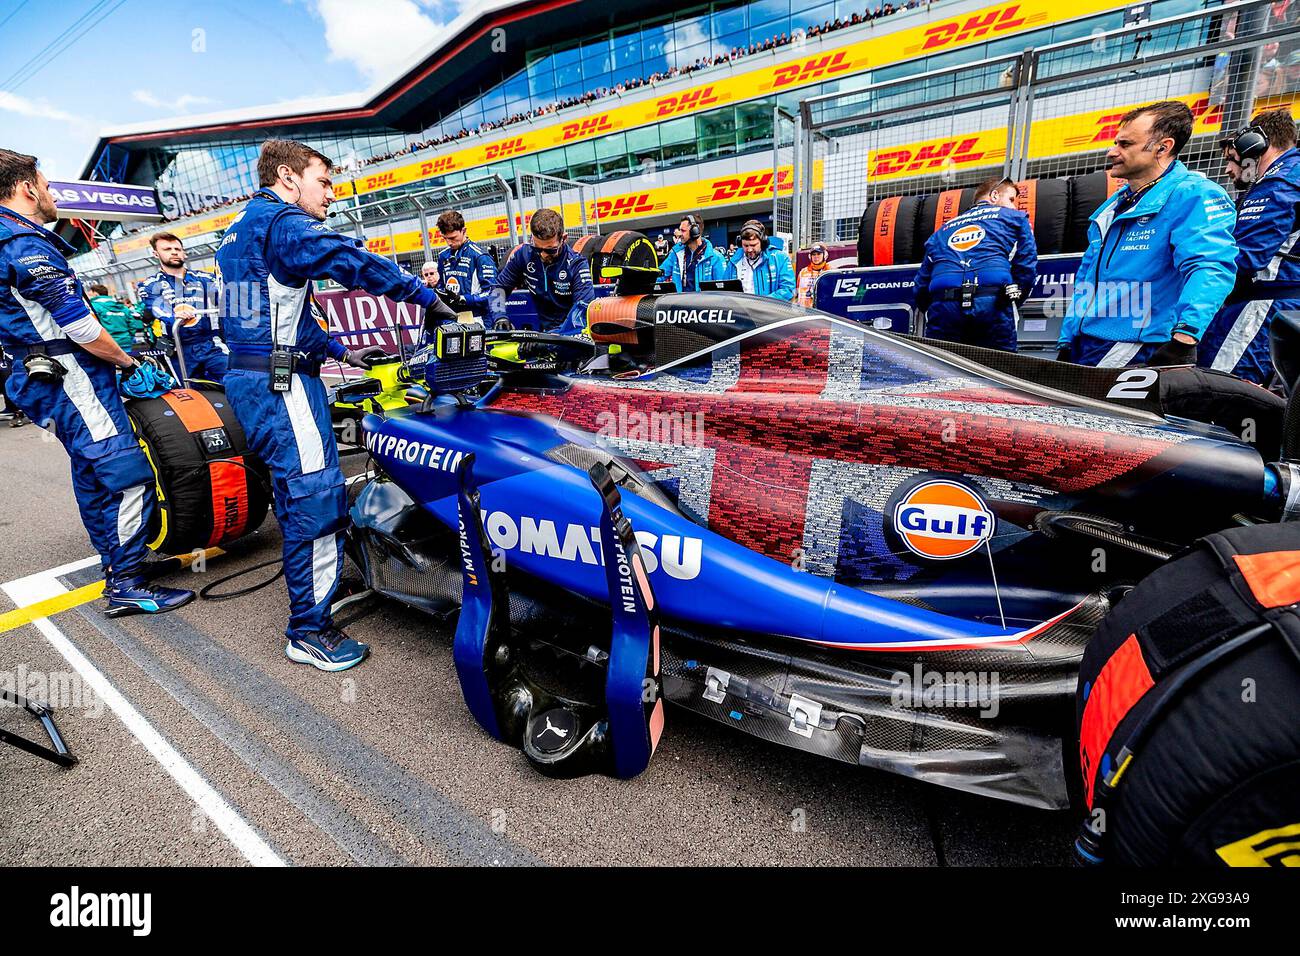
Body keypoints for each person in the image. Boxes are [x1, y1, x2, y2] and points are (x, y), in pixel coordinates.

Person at [215, 138, 448, 672]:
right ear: (288, 177)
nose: (330, 196)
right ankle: (309, 629)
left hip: (257, 377)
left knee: (296, 490)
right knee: (317, 495)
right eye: (323, 182)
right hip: (283, 387)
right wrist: (426, 297)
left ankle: (316, 575)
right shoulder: (285, 223)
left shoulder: (239, 231)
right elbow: (349, 259)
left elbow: (267, 324)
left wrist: (343, 349)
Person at [0, 149, 193, 614]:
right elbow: (81, 326)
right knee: (125, 476)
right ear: (28, 189)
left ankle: (121, 561)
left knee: (92, 472)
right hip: (71, 377)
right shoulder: (22, 243)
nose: (50, 193)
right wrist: (128, 362)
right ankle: (126, 579)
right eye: (45, 185)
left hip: (44, 374)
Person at [1057, 101, 1238, 367]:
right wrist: (1068, 337)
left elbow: (1210, 267)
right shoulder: (1114, 205)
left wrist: (1185, 337)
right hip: (1087, 342)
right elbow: (1087, 276)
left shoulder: (1194, 194)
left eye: (1125, 144)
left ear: (1163, 147)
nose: (1111, 152)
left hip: (1135, 346)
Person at [1200, 109, 1300, 385]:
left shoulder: (1279, 182)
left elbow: (1244, 258)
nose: (1229, 169)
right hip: (1282, 308)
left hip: (1264, 305)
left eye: (1233, 159)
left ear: (1256, 144)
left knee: (1216, 391)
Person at [913, 177, 1037, 352]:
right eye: (1011, 199)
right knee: (998, 371)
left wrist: (935, 307)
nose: (1014, 207)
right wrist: (1013, 299)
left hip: (944, 307)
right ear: (994, 195)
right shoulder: (1016, 218)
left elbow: (920, 286)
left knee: (944, 370)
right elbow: (1027, 266)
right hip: (992, 303)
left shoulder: (941, 231)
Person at [487, 208, 594, 333]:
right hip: (545, 332)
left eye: (550, 250)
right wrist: (499, 317)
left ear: (563, 239)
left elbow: (581, 313)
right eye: (537, 248)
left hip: (572, 336)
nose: (543, 255)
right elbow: (499, 287)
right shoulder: (523, 255)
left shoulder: (577, 265)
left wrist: (548, 340)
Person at [140, 233, 228, 384]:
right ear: (156, 254)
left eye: (177, 249)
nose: (174, 252)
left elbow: (227, 297)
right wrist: (175, 315)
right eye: (167, 249)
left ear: (184, 252)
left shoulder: (205, 278)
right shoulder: (150, 284)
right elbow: (156, 307)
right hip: (178, 349)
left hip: (211, 345)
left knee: (234, 381)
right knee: (190, 394)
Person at [435, 210, 497, 316]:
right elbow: (441, 285)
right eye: (445, 238)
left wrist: (463, 299)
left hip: (478, 318)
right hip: (452, 317)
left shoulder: (480, 256)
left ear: (464, 231)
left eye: (453, 238)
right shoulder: (443, 256)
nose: (449, 242)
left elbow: (492, 293)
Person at [726, 220, 796, 300]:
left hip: (768, 311)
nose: (749, 249)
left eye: (753, 245)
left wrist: (762, 303)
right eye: (745, 245)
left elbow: (789, 289)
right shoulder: (733, 262)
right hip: (740, 311)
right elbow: (724, 291)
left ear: (763, 242)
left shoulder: (780, 258)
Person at [659, 214, 727, 292]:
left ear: (695, 231)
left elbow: (722, 291)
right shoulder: (676, 254)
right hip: (680, 302)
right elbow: (659, 275)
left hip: (703, 303)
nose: (679, 234)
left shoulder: (716, 258)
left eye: (683, 231)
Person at [88, 282, 150, 351]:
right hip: (127, 341)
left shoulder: (93, 307)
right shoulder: (122, 307)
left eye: (90, 294)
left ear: (96, 294)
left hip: (108, 343)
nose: (89, 296)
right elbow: (133, 324)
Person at [796, 242, 835, 308]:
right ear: (810, 256)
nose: (816, 257)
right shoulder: (803, 272)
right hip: (804, 311)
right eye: (813, 254)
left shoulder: (830, 272)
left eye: (819, 254)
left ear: (825, 255)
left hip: (823, 310)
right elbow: (797, 291)